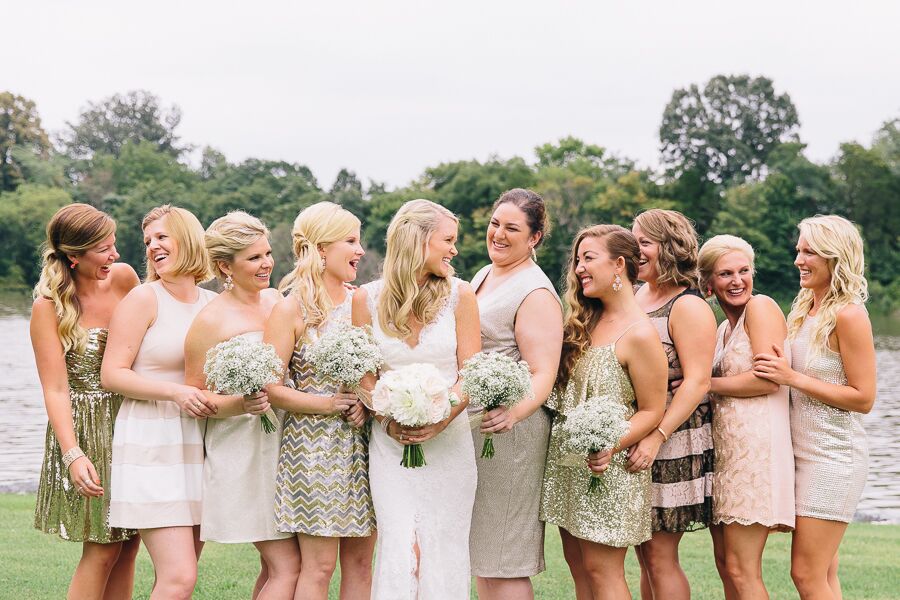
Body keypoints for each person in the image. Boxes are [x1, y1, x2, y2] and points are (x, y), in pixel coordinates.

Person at [352, 199, 481, 599]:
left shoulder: (462, 296)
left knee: (442, 545)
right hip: (391, 448)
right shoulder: (365, 300)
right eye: (447, 240)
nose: (454, 250)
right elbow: (365, 378)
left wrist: (441, 417)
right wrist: (388, 419)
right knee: (401, 544)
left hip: (450, 442)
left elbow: (470, 374)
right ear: (417, 240)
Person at [541, 224, 667, 600]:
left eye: (589, 259)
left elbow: (652, 410)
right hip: (566, 464)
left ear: (619, 265)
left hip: (608, 469)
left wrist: (609, 445)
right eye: (578, 260)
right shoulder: (583, 322)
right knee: (579, 568)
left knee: (603, 572)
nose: (579, 268)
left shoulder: (640, 334)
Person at [753, 215, 876, 600]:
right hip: (800, 455)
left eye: (808, 252)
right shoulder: (803, 310)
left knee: (805, 573)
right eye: (798, 251)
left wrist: (793, 378)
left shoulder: (849, 315)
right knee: (824, 572)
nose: (798, 260)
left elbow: (864, 398)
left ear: (833, 256)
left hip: (834, 459)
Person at [101, 205, 217, 600]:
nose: (152, 247)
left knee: (179, 578)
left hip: (199, 447)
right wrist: (175, 392)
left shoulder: (211, 304)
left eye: (162, 237)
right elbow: (112, 374)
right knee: (179, 577)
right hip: (151, 444)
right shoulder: (143, 298)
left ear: (188, 238)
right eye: (148, 241)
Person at [182, 211, 299, 599]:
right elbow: (196, 397)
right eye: (253, 258)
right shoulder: (210, 321)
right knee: (288, 566)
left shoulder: (275, 299)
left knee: (273, 566)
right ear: (224, 266)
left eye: (267, 253)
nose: (266, 264)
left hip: (282, 442)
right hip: (241, 451)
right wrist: (241, 404)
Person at [264, 202, 375, 600]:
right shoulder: (290, 308)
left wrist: (368, 401)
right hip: (311, 449)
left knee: (362, 565)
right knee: (320, 566)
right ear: (321, 249)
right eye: (351, 241)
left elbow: (379, 373)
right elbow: (271, 389)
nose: (360, 251)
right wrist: (328, 405)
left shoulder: (365, 301)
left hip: (367, 445)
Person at [31, 203, 141, 599]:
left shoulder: (125, 277)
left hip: (131, 417)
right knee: (103, 547)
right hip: (86, 427)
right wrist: (73, 453)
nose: (115, 255)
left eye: (114, 245)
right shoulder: (49, 306)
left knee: (129, 544)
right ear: (74, 257)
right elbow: (55, 389)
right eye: (104, 249)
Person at [468, 188, 563, 600]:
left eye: (512, 228)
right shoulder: (484, 275)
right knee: (486, 556)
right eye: (495, 224)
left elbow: (544, 372)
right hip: (479, 426)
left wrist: (513, 414)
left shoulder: (535, 291)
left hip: (511, 432)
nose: (499, 235)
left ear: (535, 238)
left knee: (505, 554)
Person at [698, 235, 794, 599]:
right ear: (709, 283)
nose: (737, 280)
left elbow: (768, 380)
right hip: (726, 456)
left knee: (742, 569)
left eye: (743, 271)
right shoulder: (722, 329)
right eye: (725, 274)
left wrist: (703, 384)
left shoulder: (762, 308)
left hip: (755, 454)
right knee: (726, 567)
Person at [630, 208, 717, 600]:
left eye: (643, 243)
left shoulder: (688, 306)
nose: (634, 251)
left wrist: (656, 436)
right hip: (636, 433)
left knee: (660, 555)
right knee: (644, 554)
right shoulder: (635, 296)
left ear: (668, 247)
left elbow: (697, 381)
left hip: (672, 438)